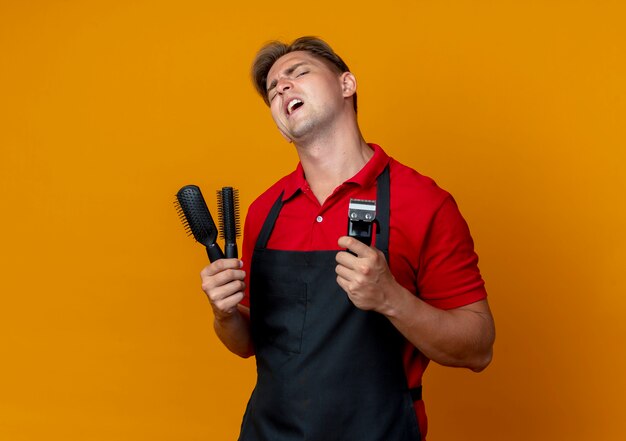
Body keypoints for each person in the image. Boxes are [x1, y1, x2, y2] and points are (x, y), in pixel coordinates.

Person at [200, 36, 495, 441]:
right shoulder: (265, 211)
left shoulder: (424, 202)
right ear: (283, 126)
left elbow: (478, 348)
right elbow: (248, 343)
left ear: (346, 85)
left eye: (298, 72)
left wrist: (390, 297)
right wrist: (225, 315)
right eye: (272, 89)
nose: (282, 87)